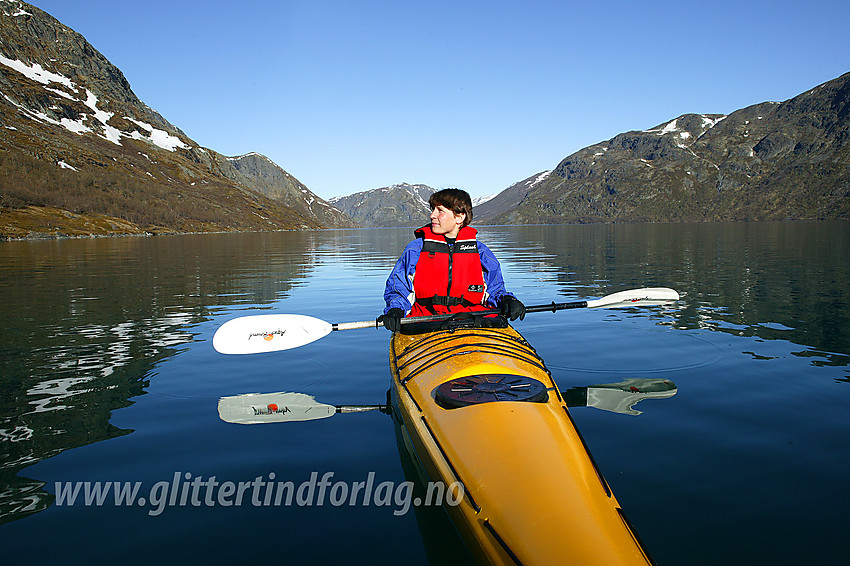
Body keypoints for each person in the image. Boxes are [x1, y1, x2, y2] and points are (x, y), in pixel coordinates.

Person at [378, 188, 525, 332]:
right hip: (425, 320)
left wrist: (507, 300)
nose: (432, 215)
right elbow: (399, 287)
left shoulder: (481, 252)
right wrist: (395, 309)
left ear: (459, 217)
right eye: (433, 209)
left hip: (473, 318)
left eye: (440, 211)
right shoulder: (416, 249)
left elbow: (495, 289)